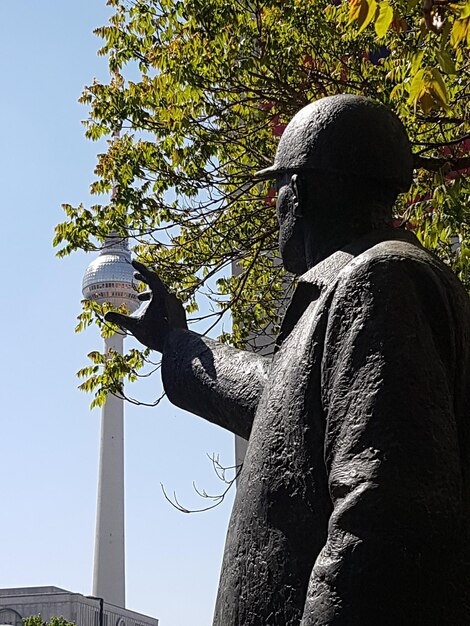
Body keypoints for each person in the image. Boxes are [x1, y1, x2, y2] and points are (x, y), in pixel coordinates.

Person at [106, 94, 470, 625]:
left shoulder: (380, 281)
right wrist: (177, 345)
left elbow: (385, 520)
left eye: (277, 189)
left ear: (299, 192)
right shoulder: (365, 287)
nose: (275, 206)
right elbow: (283, 406)